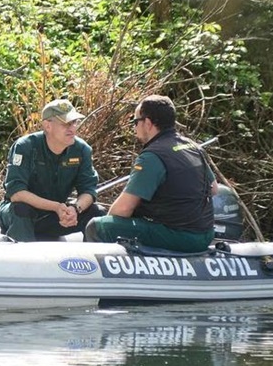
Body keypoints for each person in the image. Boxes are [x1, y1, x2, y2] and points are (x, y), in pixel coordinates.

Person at [85, 95, 217, 251]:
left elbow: (123, 209)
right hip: (205, 235)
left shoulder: (152, 157)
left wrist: (111, 221)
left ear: (147, 123)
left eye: (135, 122)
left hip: (180, 237)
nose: (134, 128)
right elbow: (214, 189)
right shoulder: (192, 147)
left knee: (98, 226)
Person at [0, 99, 106, 241]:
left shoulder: (82, 150)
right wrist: (56, 207)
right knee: (21, 209)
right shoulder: (25, 147)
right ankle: (22, 259)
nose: (72, 128)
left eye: (74, 123)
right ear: (48, 125)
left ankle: (92, 262)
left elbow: (88, 190)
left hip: (55, 215)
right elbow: (16, 193)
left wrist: (74, 209)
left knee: (97, 212)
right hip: (20, 214)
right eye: (66, 124)